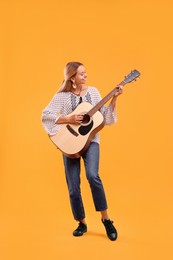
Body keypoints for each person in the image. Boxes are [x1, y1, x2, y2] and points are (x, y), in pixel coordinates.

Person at [41, 62, 123, 241]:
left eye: (85, 72)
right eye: (81, 74)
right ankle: (82, 222)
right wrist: (68, 118)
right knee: (73, 187)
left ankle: (106, 219)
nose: (85, 76)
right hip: (70, 143)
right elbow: (45, 115)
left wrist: (114, 98)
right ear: (72, 78)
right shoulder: (62, 96)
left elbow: (106, 119)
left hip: (91, 142)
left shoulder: (93, 92)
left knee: (93, 176)